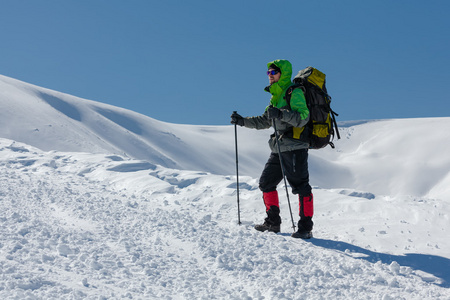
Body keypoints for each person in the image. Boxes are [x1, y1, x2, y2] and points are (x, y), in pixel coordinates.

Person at [230, 59, 314, 239]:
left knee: (301, 187)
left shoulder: (294, 92)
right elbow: (264, 120)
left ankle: (305, 228)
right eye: (268, 73)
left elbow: (303, 117)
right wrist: (242, 121)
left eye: (272, 72)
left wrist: (281, 114)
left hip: (295, 147)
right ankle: (273, 223)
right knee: (266, 183)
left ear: (281, 74)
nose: (269, 76)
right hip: (279, 148)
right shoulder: (275, 96)